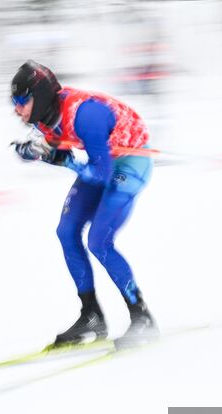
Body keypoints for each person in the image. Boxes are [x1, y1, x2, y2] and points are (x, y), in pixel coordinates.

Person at [9, 61, 158, 348]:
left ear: (38, 98)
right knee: (66, 232)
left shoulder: (86, 115)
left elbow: (100, 174)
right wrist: (31, 151)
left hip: (131, 160)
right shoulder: (44, 116)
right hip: (102, 161)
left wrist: (63, 159)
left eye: (21, 101)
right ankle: (92, 316)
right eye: (14, 102)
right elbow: (52, 148)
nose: (16, 109)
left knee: (99, 240)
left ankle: (143, 317)